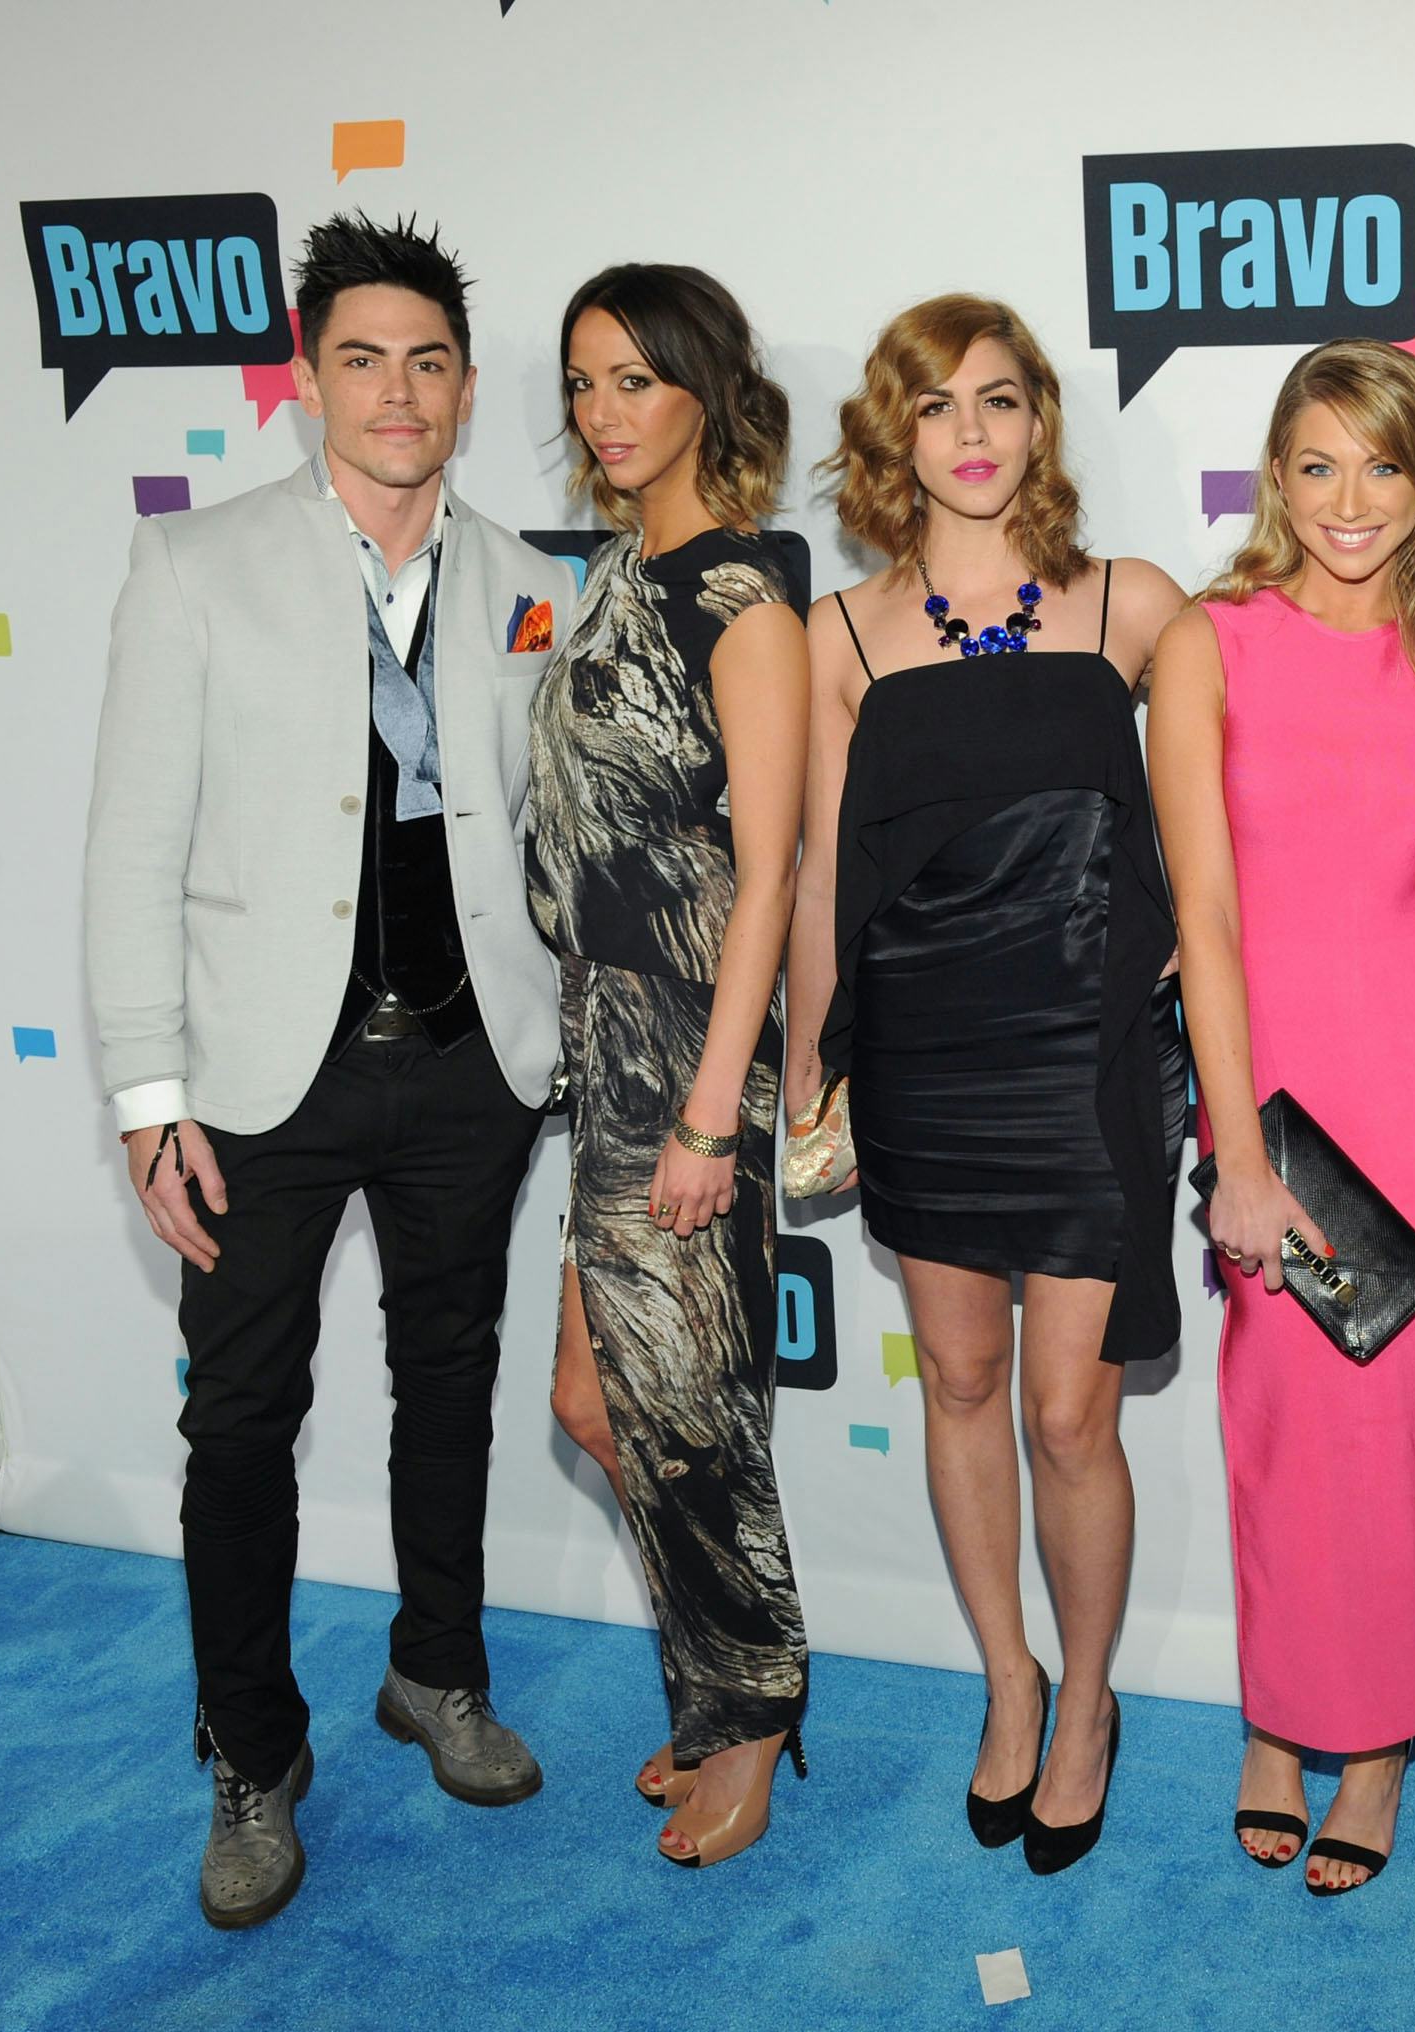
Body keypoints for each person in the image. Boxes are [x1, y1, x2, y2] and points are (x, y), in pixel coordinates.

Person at [82, 213, 565, 1929]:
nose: (398, 391)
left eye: (429, 361)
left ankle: (439, 1671)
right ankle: (251, 1750)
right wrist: (149, 1101)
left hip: (470, 1065)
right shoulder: (193, 567)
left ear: (465, 387)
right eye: (363, 359)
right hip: (253, 1082)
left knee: (452, 1381)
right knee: (239, 1421)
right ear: (307, 378)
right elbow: (132, 849)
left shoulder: (536, 584)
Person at [786, 295, 1188, 1876]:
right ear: (895, 433)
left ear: (1040, 423)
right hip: (922, 1056)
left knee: (1069, 1413)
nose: (972, 431)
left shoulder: (1131, 606)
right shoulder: (839, 633)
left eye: (1001, 399)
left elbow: (1244, 803)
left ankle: (1088, 1700)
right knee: (959, 1385)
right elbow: (822, 874)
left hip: (1087, 1068)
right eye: (937, 403)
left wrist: (1184, 940)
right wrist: (809, 1064)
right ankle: (1008, 1682)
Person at [1147, 341, 1415, 1895]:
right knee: (1288, 1413)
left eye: (1382, 465)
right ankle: (1281, 1721)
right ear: (1276, 478)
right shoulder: (1206, 642)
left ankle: (1378, 1746)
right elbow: (1206, 917)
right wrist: (1233, 1150)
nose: (1348, 500)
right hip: (1275, 1092)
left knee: (1414, 1415)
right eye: (1317, 464)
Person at [528, 263, 813, 1868]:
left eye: (634, 379)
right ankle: (717, 1677)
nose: (604, 412)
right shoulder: (613, 577)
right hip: (602, 1059)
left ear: (708, 390)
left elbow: (768, 875)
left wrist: (713, 1112)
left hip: (694, 1070)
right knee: (599, 1399)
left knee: (693, 1418)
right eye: (584, 383)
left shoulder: (740, 601)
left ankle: (753, 1708)